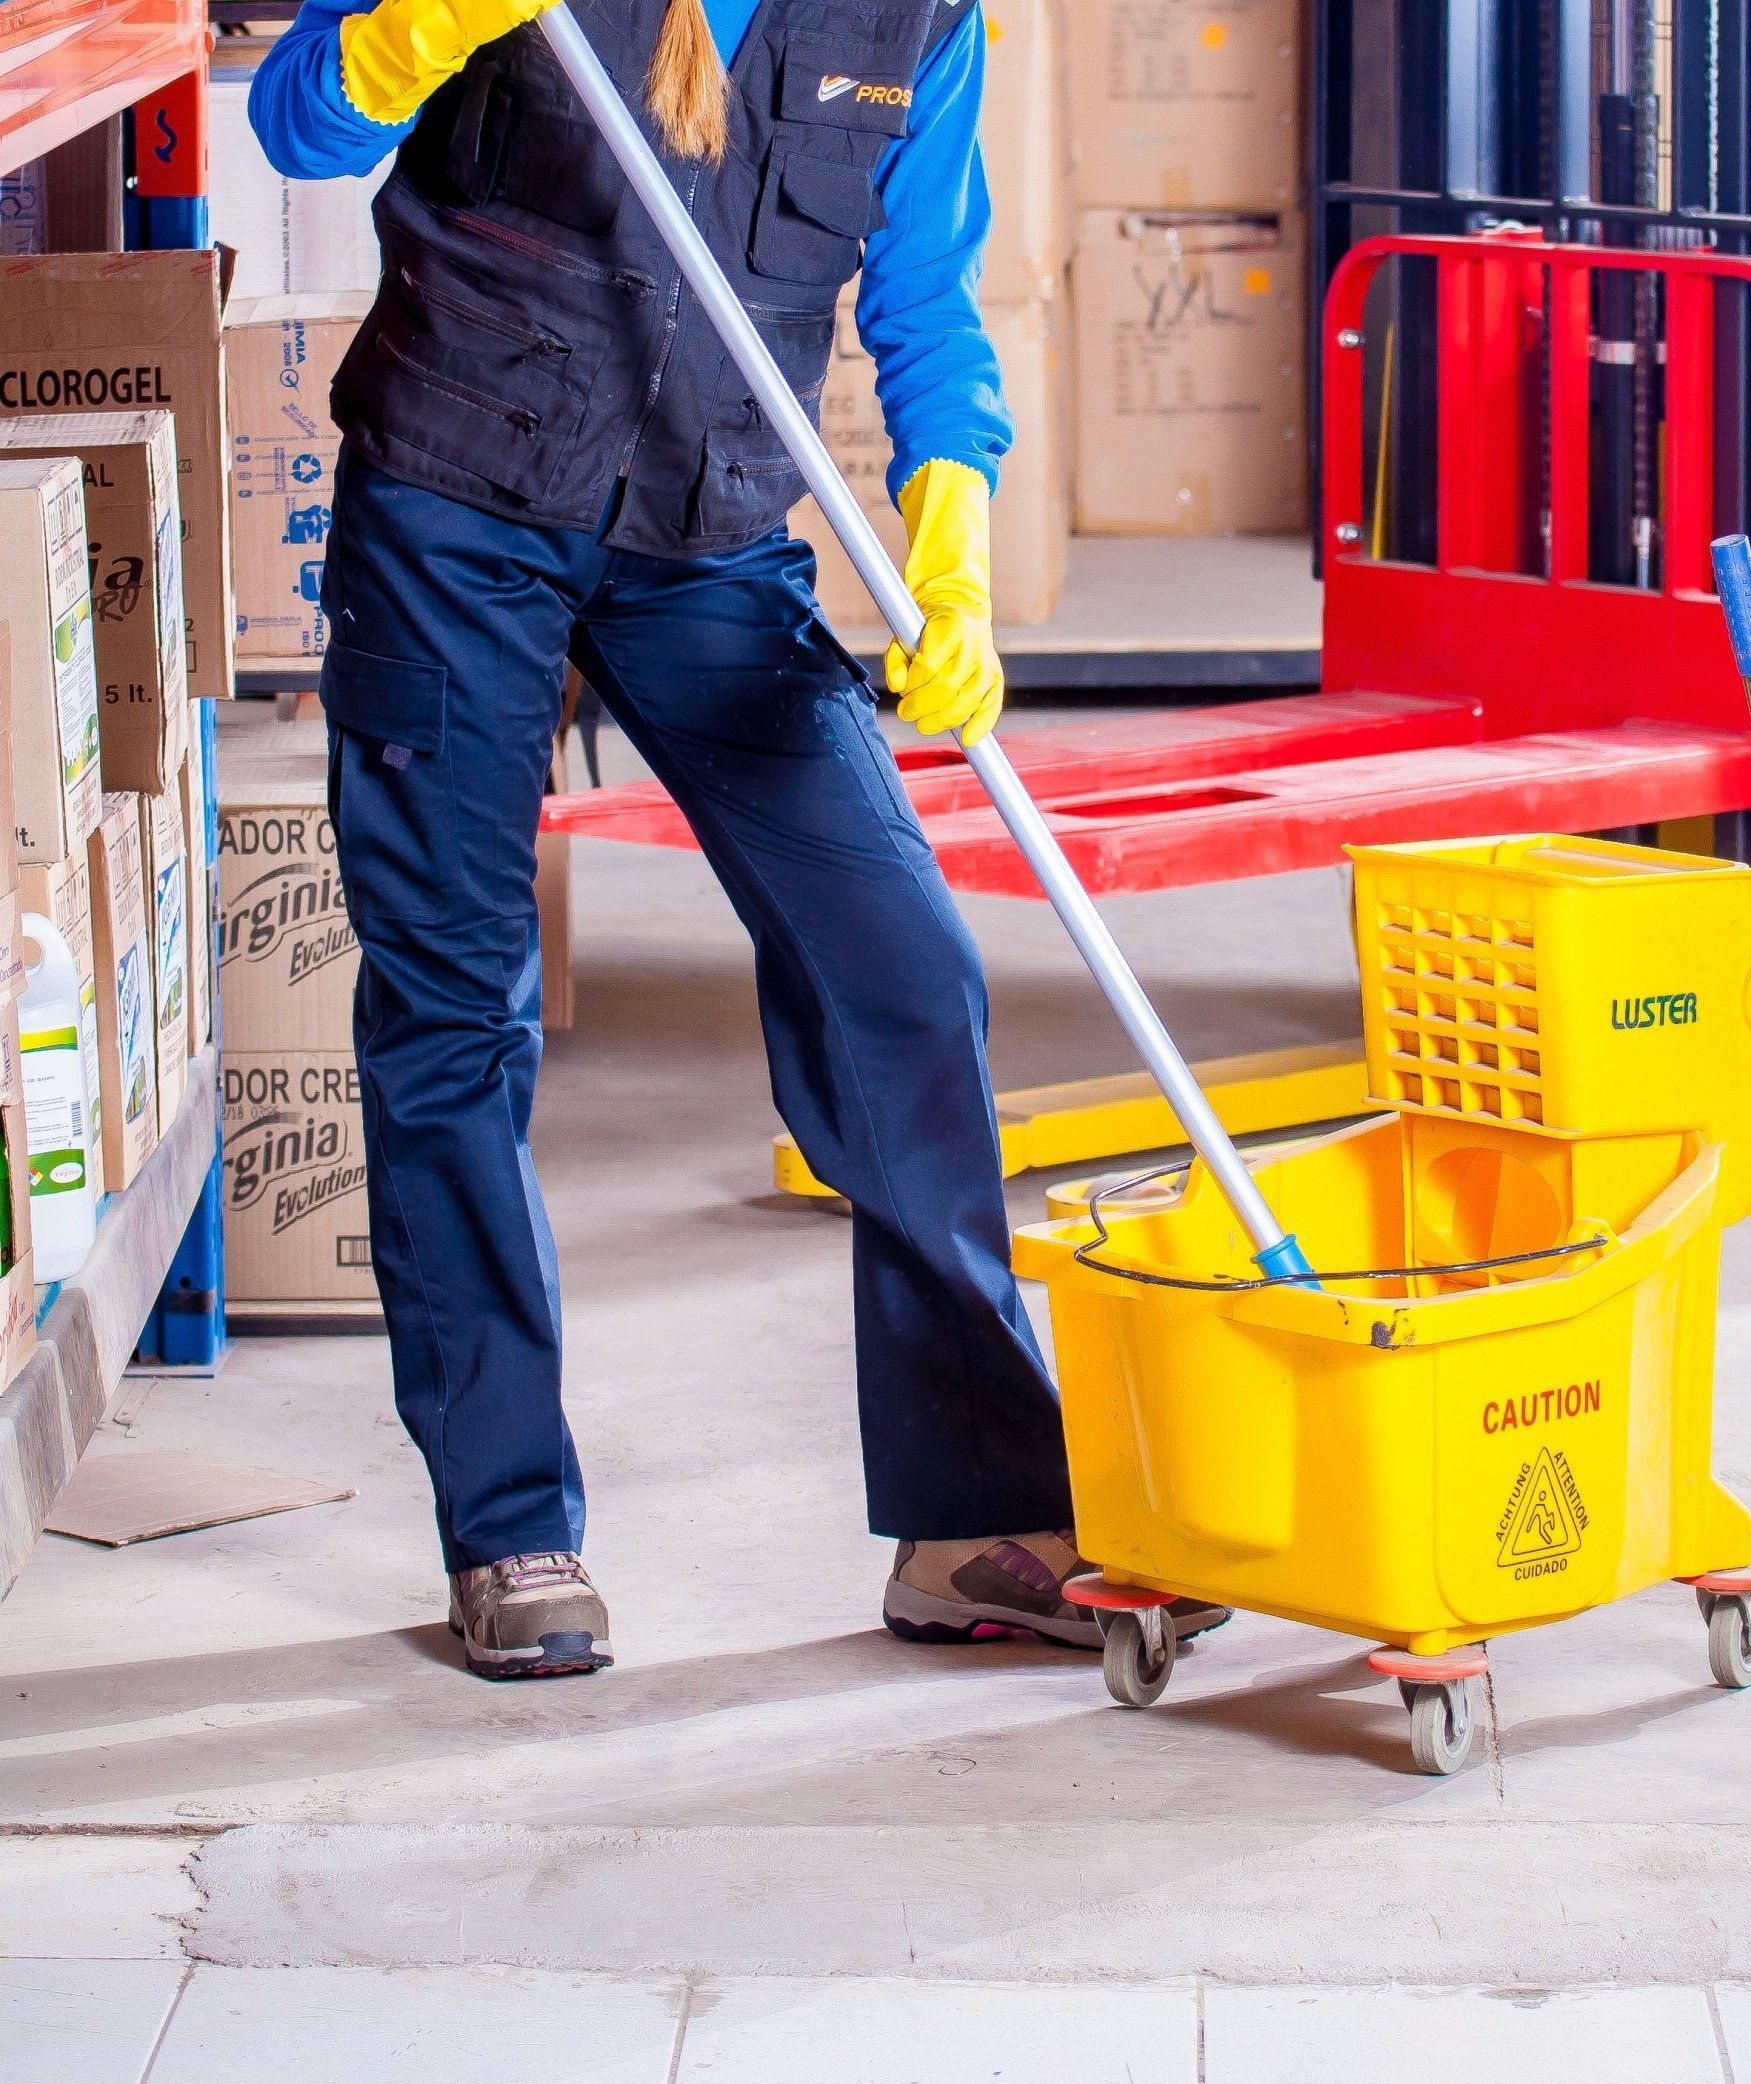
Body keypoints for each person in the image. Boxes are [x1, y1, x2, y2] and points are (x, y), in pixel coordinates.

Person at [249, 0, 1226, 1678]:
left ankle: (975, 1519)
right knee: (455, 1007)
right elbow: (296, 126)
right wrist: (413, 35)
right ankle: (509, 1526)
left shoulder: (922, 16)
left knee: (902, 973)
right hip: (457, 508)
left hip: (710, 537)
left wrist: (953, 539)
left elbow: (923, 307)